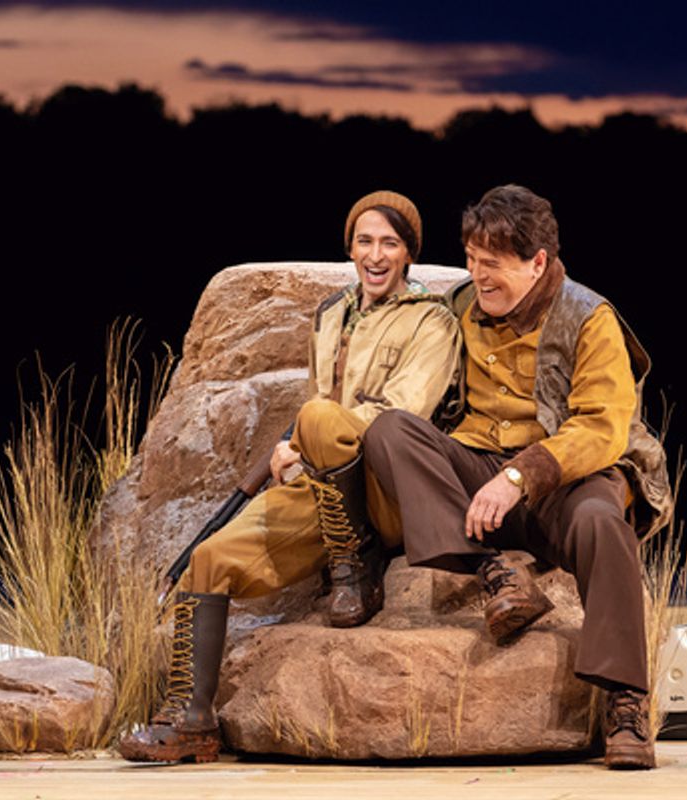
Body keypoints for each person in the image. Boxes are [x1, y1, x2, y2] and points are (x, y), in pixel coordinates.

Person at [120, 190, 463, 763]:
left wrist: (308, 434)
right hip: (324, 486)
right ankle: (191, 721)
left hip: (386, 488)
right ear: (350, 246)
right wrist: (295, 449)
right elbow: (317, 397)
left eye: (390, 243)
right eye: (365, 241)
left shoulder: (431, 320)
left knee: (320, 418)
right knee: (208, 560)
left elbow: (405, 413)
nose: (375, 255)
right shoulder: (331, 314)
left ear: (409, 254)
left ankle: (358, 565)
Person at [363, 185, 673, 770]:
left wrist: (517, 476)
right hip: (477, 467)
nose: (478, 275)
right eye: (471, 260)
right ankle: (493, 571)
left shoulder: (590, 317)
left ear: (537, 263)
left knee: (605, 524)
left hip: (565, 480)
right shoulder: (458, 306)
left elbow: (602, 430)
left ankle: (625, 702)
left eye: (493, 264)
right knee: (390, 432)